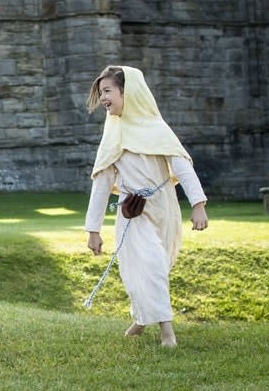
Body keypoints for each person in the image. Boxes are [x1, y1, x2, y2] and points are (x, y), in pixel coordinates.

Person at [84, 65, 208, 347]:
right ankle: (167, 332)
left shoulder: (156, 128)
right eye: (101, 93)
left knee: (157, 266)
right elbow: (101, 185)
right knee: (146, 266)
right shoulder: (112, 136)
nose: (103, 98)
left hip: (163, 208)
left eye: (108, 91)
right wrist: (93, 229)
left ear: (129, 93)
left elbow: (183, 169)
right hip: (132, 212)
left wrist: (198, 204)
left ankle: (141, 319)